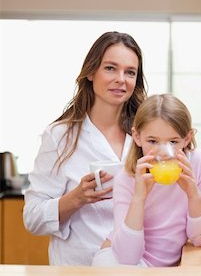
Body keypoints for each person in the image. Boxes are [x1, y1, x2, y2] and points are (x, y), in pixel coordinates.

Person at [23, 31, 147, 265]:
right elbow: (32, 218)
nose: (121, 79)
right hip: (79, 267)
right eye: (110, 68)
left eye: (130, 72)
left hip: (137, 266)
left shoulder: (145, 136)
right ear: (91, 72)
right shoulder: (60, 136)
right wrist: (76, 198)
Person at [92, 93, 201, 267]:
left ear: (187, 138)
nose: (163, 152)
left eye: (173, 141)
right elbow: (128, 258)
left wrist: (192, 193)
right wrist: (139, 197)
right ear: (137, 137)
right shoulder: (126, 178)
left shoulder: (199, 162)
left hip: (169, 266)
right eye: (152, 141)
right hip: (122, 260)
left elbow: (200, 239)